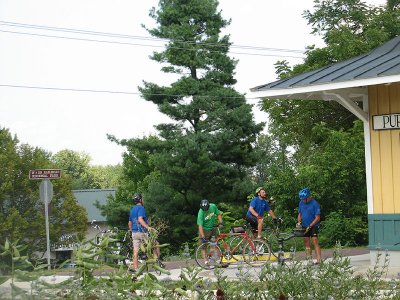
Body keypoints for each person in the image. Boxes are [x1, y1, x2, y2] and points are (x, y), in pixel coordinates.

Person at [128, 193, 162, 272]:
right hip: (142, 232)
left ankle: (136, 269)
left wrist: (132, 231)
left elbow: (129, 223)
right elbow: (140, 219)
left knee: (135, 251)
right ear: (140, 200)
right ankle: (157, 262)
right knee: (155, 244)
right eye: (142, 199)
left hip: (134, 233)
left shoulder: (132, 210)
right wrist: (148, 227)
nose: (143, 200)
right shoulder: (141, 208)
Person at [297, 187, 322, 264]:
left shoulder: (315, 203)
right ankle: (309, 260)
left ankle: (319, 260)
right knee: (306, 242)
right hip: (305, 225)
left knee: (315, 241)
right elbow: (300, 214)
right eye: (302, 199)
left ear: (308, 197)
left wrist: (310, 226)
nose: (303, 200)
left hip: (314, 225)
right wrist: (298, 222)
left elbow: (318, 218)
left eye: (304, 199)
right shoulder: (301, 203)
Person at [197, 199, 224, 265]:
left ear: (209, 206)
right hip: (204, 230)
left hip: (212, 229)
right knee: (203, 246)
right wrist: (203, 236)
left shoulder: (213, 206)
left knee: (215, 244)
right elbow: (200, 226)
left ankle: (220, 261)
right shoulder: (200, 212)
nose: (205, 210)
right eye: (204, 210)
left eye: (206, 209)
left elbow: (218, 214)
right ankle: (206, 262)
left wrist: (221, 222)